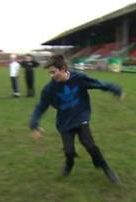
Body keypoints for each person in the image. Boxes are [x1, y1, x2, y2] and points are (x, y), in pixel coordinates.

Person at [29, 54, 126, 184]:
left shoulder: (79, 78)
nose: (51, 75)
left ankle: (106, 168)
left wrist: (116, 89)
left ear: (63, 69)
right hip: (65, 122)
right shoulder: (49, 89)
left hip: (81, 117)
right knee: (69, 151)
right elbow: (40, 107)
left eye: (53, 72)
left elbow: (98, 84)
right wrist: (34, 125)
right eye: (49, 73)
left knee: (89, 144)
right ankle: (69, 163)